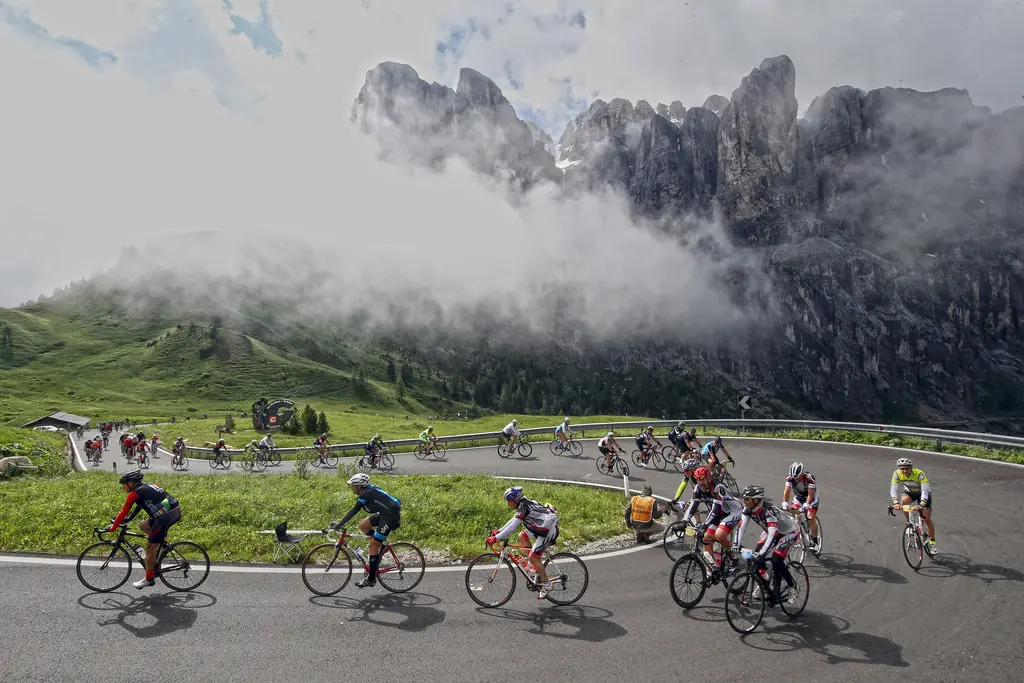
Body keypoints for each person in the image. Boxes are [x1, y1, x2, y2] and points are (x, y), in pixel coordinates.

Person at [107, 470, 181, 589]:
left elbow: (124, 510)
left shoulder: (134, 493)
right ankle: (162, 545)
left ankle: (149, 578)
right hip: (171, 511)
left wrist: (113, 528)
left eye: (123, 484)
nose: (123, 487)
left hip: (166, 515)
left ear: (130, 483)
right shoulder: (145, 486)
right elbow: (140, 504)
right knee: (144, 525)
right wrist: (129, 518)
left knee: (150, 547)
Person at [487, 486, 559, 599]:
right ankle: (535, 567)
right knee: (522, 536)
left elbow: (513, 527)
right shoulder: (522, 504)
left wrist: (496, 538)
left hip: (549, 531)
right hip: (540, 528)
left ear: (516, 499)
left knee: (533, 557)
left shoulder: (524, 506)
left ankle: (547, 585)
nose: (508, 504)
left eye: (509, 501)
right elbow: (512, 521)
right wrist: (499, 532)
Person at [331, 473, 402, 589]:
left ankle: (371, 579)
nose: (352, 488)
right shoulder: (366, 491)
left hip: (391, 516)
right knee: (363, 525)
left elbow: (353, 511)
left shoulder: (366, 494)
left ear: (360, 486)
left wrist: (338, 525)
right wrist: (339, 524)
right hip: (385, 513)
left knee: (373, 545)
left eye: (353, 486)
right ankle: (381, 546)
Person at [735, 485, 800, 604]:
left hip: (788, 532)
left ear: (756, 500)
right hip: (771, 531)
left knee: (776, 560)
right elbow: (741, 528)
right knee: (756, 558)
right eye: (744, 499)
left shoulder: (768, 511)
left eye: (747, 499)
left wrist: (763, 553)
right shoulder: (748, 509)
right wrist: (736, 545)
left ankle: (792, 587)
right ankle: (764, 584)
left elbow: (772, 533)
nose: (744, 501)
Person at [890, 457, 936, 553]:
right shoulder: (896, 474)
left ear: (911, 468)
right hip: (910, 492)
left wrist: (922, 504)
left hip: (923, 494)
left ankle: (933, 543)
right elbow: (893, 489)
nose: (904, 471)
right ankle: (910, 523)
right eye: (902, 469)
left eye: (907, 468)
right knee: (904, 500)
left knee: (926, 518)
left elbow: (925, 490)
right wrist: (896, 502)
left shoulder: (919, 474)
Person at [783, 462, 821, 551]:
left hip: (811, 498)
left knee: (810, 517)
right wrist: (785, 502)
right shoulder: (790, 478)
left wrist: (807, 505)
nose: (795, 479)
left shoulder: (809, 478)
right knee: (795, 513)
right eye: (794, 478)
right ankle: (800, 532)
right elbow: (787, 491)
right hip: (799, 497)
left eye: (797, 477)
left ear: (802, 474)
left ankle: (815, 542)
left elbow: (811, 495)